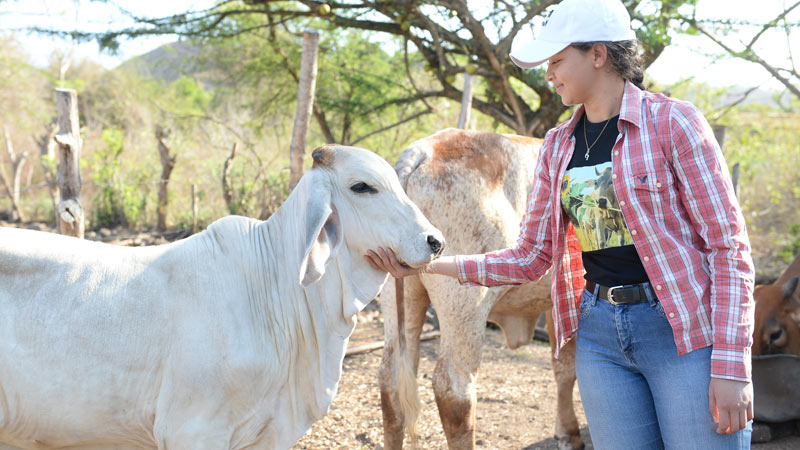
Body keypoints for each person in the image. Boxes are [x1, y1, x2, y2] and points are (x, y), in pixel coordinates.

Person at [365, 0, 755, 448]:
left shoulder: (675, 123)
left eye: (555, 61)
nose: (548, 74)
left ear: (597, 54)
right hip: (601, 337)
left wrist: (730, 365)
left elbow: (728, 249)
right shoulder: (557, 145)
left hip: (682, 333)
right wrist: (425, 266)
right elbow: (531, 257)